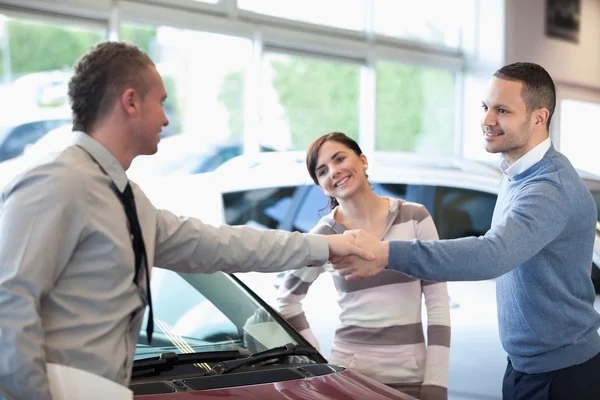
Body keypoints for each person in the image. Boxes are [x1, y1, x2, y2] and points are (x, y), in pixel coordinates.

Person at [0, 41, 374, 400]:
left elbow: (218, 245)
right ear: (130, 101)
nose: (165, 118)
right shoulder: (55, 183)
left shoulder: (128, 199)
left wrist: (325, 246)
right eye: (161, 102)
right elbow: (8, 309)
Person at [331, 62, 600, 399]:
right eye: (486, 107)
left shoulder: (549, 188)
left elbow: (493, 254)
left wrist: (387, 252)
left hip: (562, 376)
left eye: (502, 110)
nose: (487, 120)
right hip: (525, 366)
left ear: (538, 118)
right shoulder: (516, 172)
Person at [276, 132, 451, 399]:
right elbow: (287, 301)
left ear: (363, 160)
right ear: (322, 186)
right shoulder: (324, 235)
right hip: (349, 380)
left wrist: (436, 383)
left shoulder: (415, 217)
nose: (334, 171)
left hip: (411, 378)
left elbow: (438, 305)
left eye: (339, 159)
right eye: (322, 171)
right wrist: (316, 363)